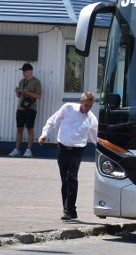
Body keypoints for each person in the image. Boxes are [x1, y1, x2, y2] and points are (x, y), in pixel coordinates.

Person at [38, 91, 98, 221]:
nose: (88, 109)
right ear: (81, 102)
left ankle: (69, 210)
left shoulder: (92, 119)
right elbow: (53, 120)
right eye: (86, 105)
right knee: (64, 179)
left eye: (90, 106)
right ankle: (68, 209)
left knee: (72, 177)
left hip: (77, 150)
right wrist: (44, 134)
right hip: (63, 148)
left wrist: (106, 149)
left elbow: (95, 139)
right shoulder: (68, 108)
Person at [10, 63, 42, 158]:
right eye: (22, 71)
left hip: (31, 109)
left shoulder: (36, 82)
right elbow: (19, 96)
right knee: (19, 129)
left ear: (29, 71)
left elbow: (39, 96)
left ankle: (29, 150)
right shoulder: (21, 81)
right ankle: (17, 150)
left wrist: (27, 92)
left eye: (24, 71)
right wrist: (18, 92)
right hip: (20, 108)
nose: (23, 73)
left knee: (29, 128)